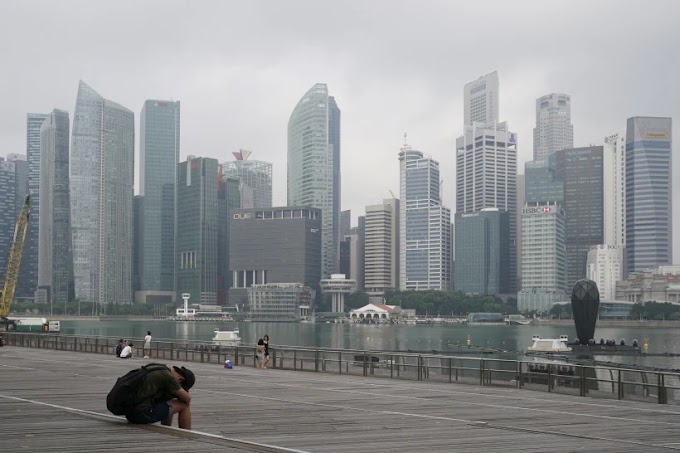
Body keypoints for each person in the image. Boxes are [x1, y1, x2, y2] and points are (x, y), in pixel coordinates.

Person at [125, 364, 195, 430]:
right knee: (184, 405)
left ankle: (166, 429)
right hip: (140, 415)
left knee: (168, 400)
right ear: (181, 379)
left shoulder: (159, 368)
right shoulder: (169, 378)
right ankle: (187, 435)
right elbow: (187, 399)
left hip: (129, 413)